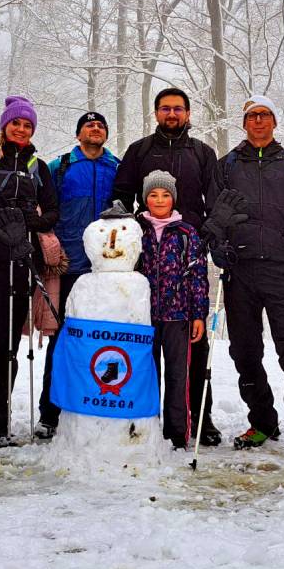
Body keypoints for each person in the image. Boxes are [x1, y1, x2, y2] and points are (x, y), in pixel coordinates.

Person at [203, 94, 284, 472]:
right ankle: (262, 420)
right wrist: (218, 246)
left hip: (283, 267)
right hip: (239, 269)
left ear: (274, 121)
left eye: (265, 115)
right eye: (252, 116)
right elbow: (214, 213)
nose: (258, 121)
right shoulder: (227, 165)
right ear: (244, 123)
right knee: (244, 351)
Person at [113, 87, 222, 446]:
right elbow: (121, 195)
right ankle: (145, 421)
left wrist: (209, 234)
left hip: (188, 255)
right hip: (147, 258)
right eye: (165, 109)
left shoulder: (202, 153)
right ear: (156, 113)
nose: (171, 114)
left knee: (193, 352)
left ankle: (200, 418)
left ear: (188, 113)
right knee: (146, 357)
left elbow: (214, 200)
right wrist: (125, 232)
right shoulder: (140, 151)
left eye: (178, 109)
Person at [0, 96, 59, 444]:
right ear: (4, 125)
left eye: (27, 125)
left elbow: (53, 212)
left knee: (10, 345)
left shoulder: (39, 167)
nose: (21, 129)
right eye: (15, 123)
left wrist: (28, 220)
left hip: (22, 260)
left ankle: (0, 420)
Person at [35, 111, 120, 439]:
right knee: (61, 340)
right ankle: (50, 414)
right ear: (78, 134)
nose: (95, 128)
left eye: (100, 125)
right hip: (68, 266)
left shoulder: (117, 168)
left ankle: (96, 405)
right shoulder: (60, 167)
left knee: (103, 338)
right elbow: (44, 211)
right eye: (89, 125)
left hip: (107, 269)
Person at [136, 170, 210, 449]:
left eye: (165, 195)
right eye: (153, 195)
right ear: (145, 199)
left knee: (178, 375)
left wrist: (198, 314)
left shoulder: (186, 233)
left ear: (173, 199)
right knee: (147, 373)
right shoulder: (136, 230)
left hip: (178, 316)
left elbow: (198, 276)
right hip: (144, 317)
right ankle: (147, 427)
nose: (159, 200)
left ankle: (177, 433)